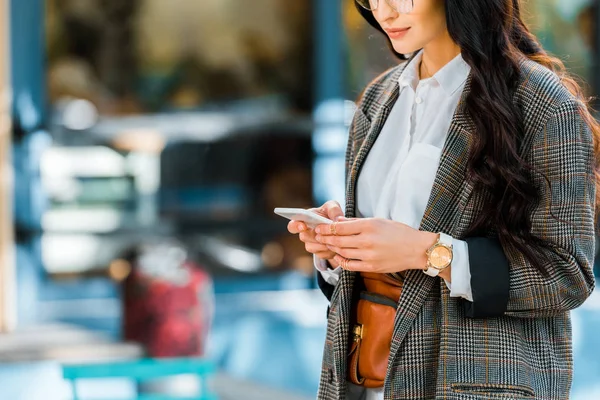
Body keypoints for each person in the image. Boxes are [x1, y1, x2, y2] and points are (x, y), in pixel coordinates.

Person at [287, 0, 599, 399]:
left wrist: (430, 252)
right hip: (366, 379)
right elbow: (376, 273)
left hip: (474, 383)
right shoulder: (379, 98)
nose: (384, 12)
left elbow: (566, 275)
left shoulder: (542, 103)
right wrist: (340, 246)